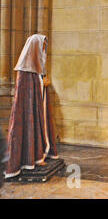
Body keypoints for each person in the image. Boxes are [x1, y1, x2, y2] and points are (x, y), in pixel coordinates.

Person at [4, 34, 58, 179]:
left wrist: (43, 82)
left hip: (37, 108)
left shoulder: (36, 66)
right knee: (29, 128)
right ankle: (29, 158)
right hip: (28, 111)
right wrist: (43, 83)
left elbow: (38, 85)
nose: (43, 50)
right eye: (42, 47)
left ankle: (38, 155)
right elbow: (27, 92)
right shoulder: (25, 68)